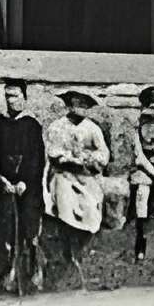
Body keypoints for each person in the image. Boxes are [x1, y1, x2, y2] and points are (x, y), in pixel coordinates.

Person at [42, 88, 110, 286]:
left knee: (91, 207)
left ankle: (82, 249)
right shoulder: (57, 127)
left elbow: (103, 154)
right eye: (75, 104)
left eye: (83, 105)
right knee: (65, 205)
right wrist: (68, 158)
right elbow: (53, 152)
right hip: (64, 175)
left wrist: (89, 158)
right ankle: (67, 251)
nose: (79, 108)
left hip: (87, 177)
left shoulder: (92, 128)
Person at [0, 78, 48, 296]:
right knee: (5, 226)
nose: (11, 101)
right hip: (4, 185)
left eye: (15, 96)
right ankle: (9, 271)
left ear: (24, 97)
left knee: (29, 224)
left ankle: (34, 269)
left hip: (27, 187)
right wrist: (2, 179)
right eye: (7, 96)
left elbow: (37, 159)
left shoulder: (32, 126)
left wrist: (24, 181)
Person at [124, 85, 154, 259]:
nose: (153, 108)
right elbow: (138, 154)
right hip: (145, 166)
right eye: (149, 103)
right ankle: (141, 236)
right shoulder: (137, 123)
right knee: (142, 192)